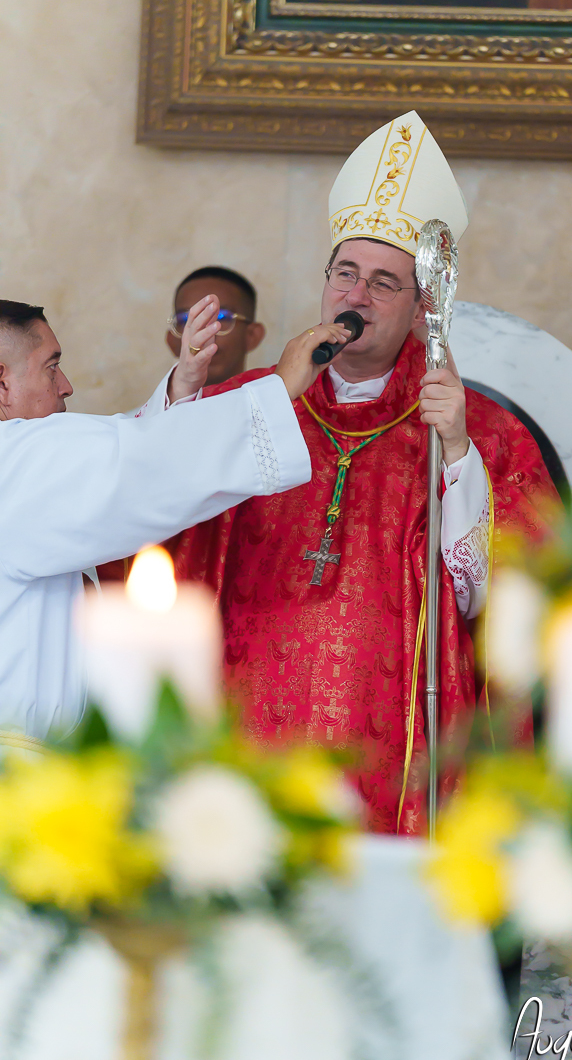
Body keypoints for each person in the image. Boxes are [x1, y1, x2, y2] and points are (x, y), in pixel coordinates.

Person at [165, 111, 560, 834]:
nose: (356, 296)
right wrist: (184, 395)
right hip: (249, 720)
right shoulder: (251, 403)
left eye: (384, 283)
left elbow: (508, 604)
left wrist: (457, 455)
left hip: (395, 739)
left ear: (421, 307)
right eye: (345, 274)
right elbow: (160, 515)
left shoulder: (480, 431)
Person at [0, 296, 351, 742]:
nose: (66, 385)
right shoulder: (16, 462)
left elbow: (128, 452)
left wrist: (183, 385)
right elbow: (138, 466)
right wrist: (279, 388)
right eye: (51, 367)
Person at [166, 266, 265, 387]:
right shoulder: (157, 400)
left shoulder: (275, 398)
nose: (203, 333)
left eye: (220, 317)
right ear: (171, 341)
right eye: (186, 319)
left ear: (252, 335)